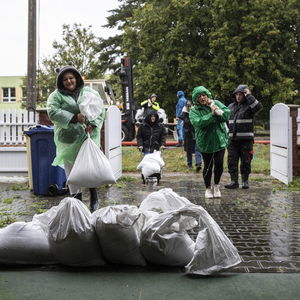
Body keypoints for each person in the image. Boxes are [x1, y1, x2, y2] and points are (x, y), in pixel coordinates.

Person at [47, 64, 105, 212]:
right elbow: (53, 112)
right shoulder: (56, 96)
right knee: (71, 171)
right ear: (61, 82)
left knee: (90, 167)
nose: (69, 81)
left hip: (88, 136)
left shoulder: (88, 92)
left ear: (77, 78)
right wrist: (73, 117)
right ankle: (76, 201)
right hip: (68, 139)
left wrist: (92, 123)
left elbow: (99, 109)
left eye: (71, 77)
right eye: (65, 79)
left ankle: (93, 196)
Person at [189, 86, 230, 199]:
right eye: (199, 96)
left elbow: (227, 114)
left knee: (219, 165)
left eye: (204, 95)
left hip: (219, 140)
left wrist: (217, 111)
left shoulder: (215, 103)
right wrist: (211, 115)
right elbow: (198, 123)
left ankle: (216, 185)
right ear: (196, 99)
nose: (202, 98)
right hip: (205, 143)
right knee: (208, 166)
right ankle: (207, 188)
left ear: (207, 95)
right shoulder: (194, 110)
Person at [225, 84, 263, 189]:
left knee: (246, 161)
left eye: (240, 94)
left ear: (244, 95)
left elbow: (259, 107)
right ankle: (234, 182)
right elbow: (224, 119)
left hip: (246, 140)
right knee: (232, 161)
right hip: (232, 140)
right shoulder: (230, 106)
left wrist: (249, 96)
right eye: (236, 94)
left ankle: (245, 181)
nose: (238, 96)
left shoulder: (250, 106)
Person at [180, 100, 202, 172]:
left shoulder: (195, 112)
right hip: (187, 134)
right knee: (188, 150)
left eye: (190, 106)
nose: (189, 107)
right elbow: (186, 121)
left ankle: (198, 164)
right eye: (187, 106)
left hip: (195, 133)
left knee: (197, 149)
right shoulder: (183, 114)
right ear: (186, 106)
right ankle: (189, 164)